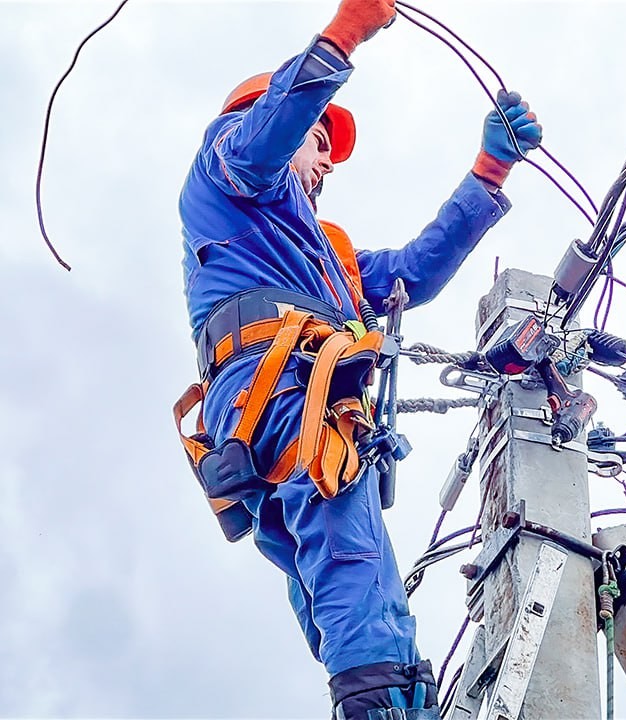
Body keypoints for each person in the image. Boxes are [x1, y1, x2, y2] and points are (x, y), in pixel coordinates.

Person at [175, 0, 542, 717]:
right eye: (320, 144)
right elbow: (263, 142)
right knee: (344, 546)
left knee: (352, 567)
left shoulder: (328, 255)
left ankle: (397, 697)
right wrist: (344, 36)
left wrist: (488, 170)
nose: (326, 165)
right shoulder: (227, 173)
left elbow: (414, 272)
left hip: (302, 398)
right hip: (272, 387)